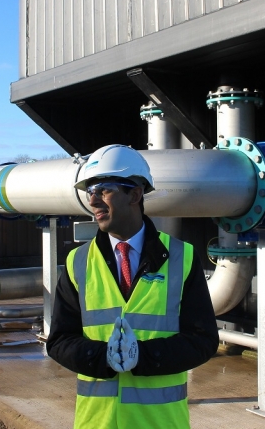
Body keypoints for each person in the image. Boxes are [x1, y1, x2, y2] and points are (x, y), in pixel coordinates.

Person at [47, 144, 219, 428]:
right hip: (97, 423)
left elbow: (203, 340)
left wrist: (145, 358)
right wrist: (101, 358)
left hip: (159, 423)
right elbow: (59, 341)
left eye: (103, 189)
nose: (93, 201)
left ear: (135, 194)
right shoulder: (78, 262)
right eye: (89, 191)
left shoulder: (182, 257)